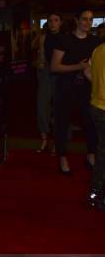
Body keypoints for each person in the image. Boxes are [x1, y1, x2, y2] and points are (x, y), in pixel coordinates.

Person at [51, 9, 99, 174]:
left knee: (90, 123)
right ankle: (62, 157)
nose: (88, 23)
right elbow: (54, 66)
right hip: (65, 87)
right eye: (84, 19)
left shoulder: (95, 42)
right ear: (77, 20)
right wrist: (78, 66)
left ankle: (91, 155)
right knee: (62, 123)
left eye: (91, 20)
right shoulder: (64, 40)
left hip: (87, 89)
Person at [35, 13, 63, 153]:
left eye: (56, 20)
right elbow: (41, 57)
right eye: (50, 20)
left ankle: (57, 141)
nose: (52, 23)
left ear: (60, 23)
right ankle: (44, 138)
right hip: (46, 73)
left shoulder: (65, 38)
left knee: (59, 108)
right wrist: (40, 67)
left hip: (60, 75)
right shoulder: (43, 37)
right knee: (41, 106)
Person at [85, 43, 105, 210]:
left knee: (102, 151)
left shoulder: (98, 49)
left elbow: (86, 71)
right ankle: (97, 194)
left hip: (96, 106)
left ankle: (96, 192)